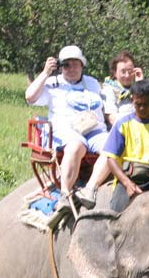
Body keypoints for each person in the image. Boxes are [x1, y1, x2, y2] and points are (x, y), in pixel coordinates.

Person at [24, 45, 108, 203]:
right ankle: (65, 194)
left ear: (82, 65)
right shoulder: (52, 83)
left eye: (75, 63)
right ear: (60, 67)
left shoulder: (92, 83)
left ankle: (90, 188)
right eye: (66, 64)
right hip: (67, 132)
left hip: (94, 130)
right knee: (76, 145)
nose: (71, 68)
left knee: (112, 146)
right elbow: (30, 97)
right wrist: (45, 72)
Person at [100, 79, 149, 203]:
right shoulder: (122, 124)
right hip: (129, 177)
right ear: (132, 100)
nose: (142, 108)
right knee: (117, 213)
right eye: (138, 104)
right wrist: (127, 183)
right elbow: (111, 159)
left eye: (147, 104)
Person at [101, 50, 149, 127]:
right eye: (123, 72)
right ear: (115, 73)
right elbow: (112, 118)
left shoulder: (140, 87)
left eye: (130, 71)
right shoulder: (109, 90)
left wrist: (141, 85)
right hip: (123, 130)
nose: (127, 75)